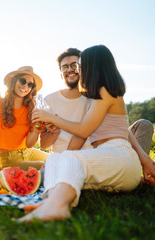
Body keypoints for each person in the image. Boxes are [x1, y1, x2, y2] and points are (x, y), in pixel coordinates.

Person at [18, 45, 155, 222]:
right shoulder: (93, 98)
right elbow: (83, 134)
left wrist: (51, 118)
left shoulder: (104, 91)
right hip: (107, 156)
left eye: (80, 66)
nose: (77, 70)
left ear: (93, 67)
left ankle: (57, 206)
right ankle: (52, 202)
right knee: (54, 159)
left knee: (72, 158)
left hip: (119, 154)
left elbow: (84, 130)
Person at [41, 48, 155, 185]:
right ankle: (133, 176)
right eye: (65, 66)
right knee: (50, 171)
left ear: (85, 68)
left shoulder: (94, 96)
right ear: (60, 73)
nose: (71, 69)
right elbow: (46, 144)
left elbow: (118, 129)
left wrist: (143, 158)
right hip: (81, 155)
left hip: (106, 153)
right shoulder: (50, 100)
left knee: (143, 125)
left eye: (75, 65)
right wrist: (60, 149)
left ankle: (134, 169)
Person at [0, 66, 49, 173]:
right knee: (49, 167)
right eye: (23, 81)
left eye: (30, 84)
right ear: (14, 81)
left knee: (56, 160)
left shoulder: (31, 109)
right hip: (8, 158)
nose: (25, 86)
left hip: (29, 152)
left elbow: (29, 144)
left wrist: (37, 131)